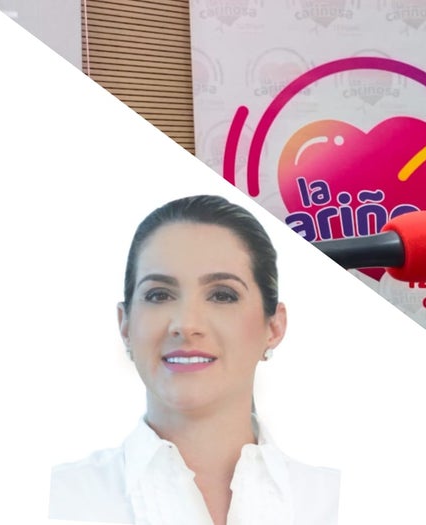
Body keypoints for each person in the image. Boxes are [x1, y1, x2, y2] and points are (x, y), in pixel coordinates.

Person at [49, 195, 340, 525]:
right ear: (125, 326)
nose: (186, 325)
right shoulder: (57, 500)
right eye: (159, 295)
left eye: (222, 295)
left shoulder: (336, 502)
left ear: (273, 327)